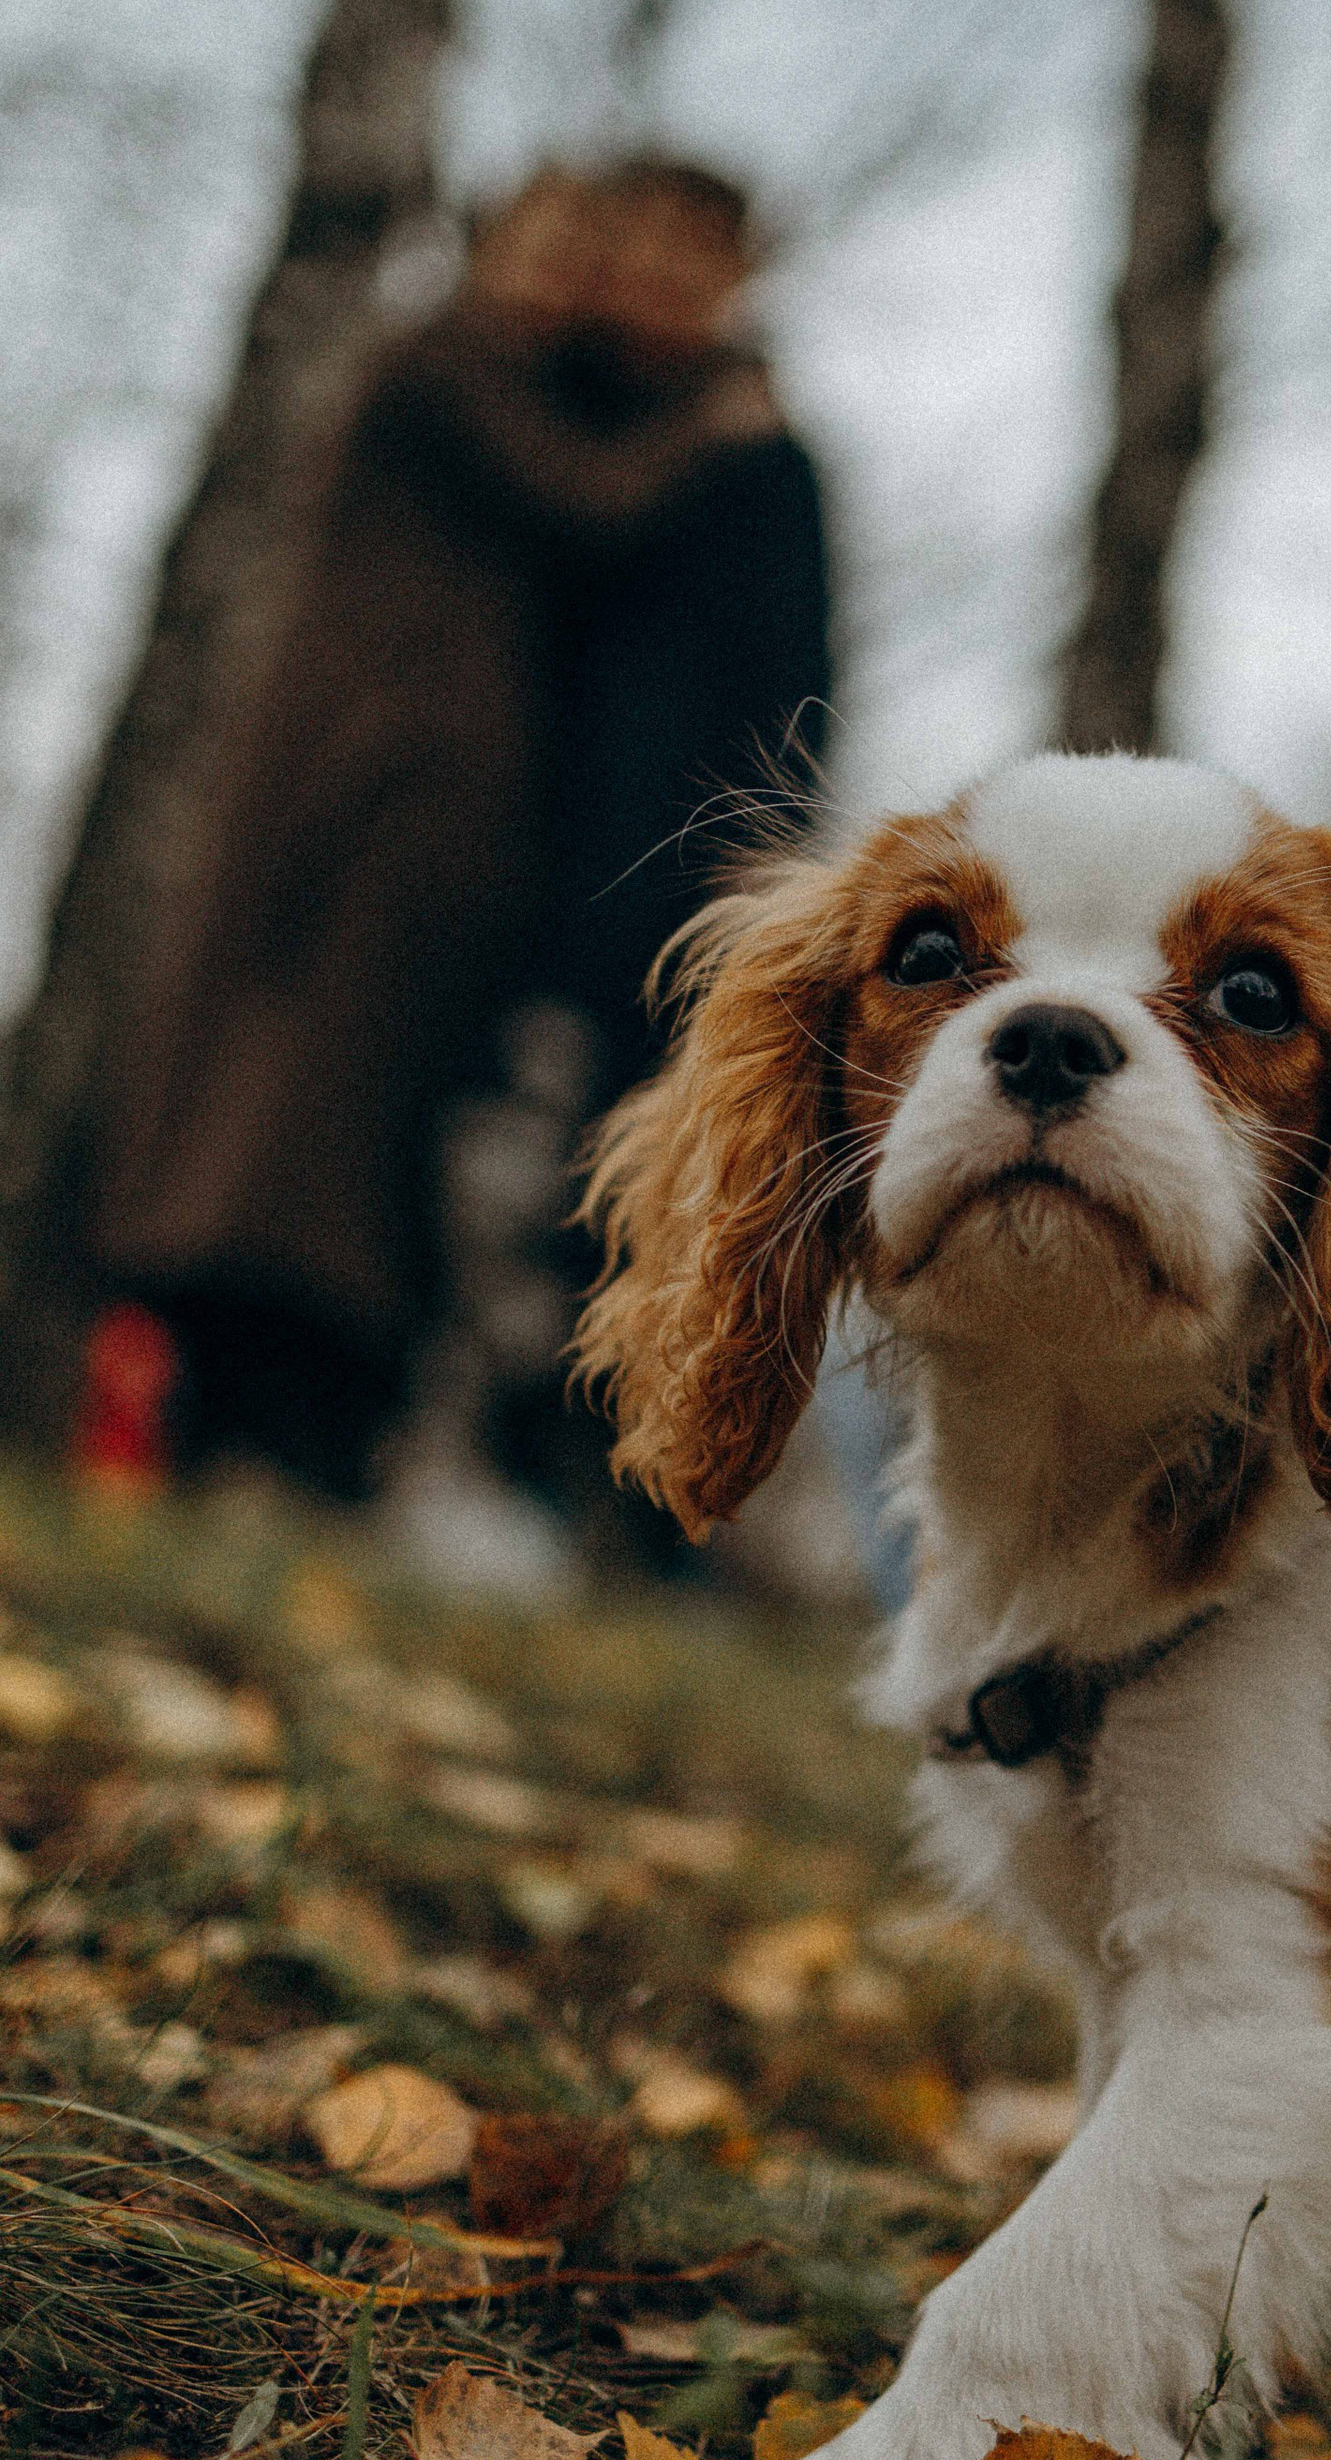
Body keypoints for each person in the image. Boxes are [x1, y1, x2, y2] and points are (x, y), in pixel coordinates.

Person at [86, 159, 836, 1549]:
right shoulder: (479, 378)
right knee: (381, 1150)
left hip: (616, 882)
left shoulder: (749, 462)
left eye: (604, 254)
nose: (588, 282)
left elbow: (788, 681)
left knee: (559, 1186)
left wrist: (762, 863)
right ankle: (289, 1448)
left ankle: (587, 1509)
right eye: (573, 250)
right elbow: (587, 503)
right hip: (415, 823)